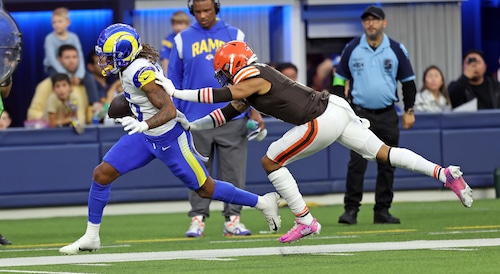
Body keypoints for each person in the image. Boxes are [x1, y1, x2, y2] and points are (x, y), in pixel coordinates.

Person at [155, 40, 473, 243]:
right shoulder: (254, 78)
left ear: (235, 64)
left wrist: (175, 92)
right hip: (336, 109)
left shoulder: (253, 76)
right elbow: (228, 111)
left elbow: (226, 94)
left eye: (224, 70)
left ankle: (305, 220)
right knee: (384, 154)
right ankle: (445, 174)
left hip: (320, 118)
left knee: (270, 160)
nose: (222, 75)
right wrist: (191, 124)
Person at [58, 24, 280, 255]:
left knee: (205, 188)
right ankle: (91, 237)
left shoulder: (140, 72)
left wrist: (142, 122)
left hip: (169, 139)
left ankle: (263, 202)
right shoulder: (130, 67)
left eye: (108, 56)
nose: (103, 60)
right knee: (101, 173)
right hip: (146, 137)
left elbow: (168, 110)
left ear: (124, 53)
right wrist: (133, 109)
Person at [168, 0, 265, 237]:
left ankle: (233, 220)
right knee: (196, 172)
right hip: (194, 119)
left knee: (234, 172)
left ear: (217, 9)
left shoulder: (235, 34)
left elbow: (249, 76)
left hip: (232, 115)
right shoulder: (181, 39)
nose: (202, 15)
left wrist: (254, 109)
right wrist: (175, 115)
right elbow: (173, 82)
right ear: (192, 11)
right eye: (198, 11)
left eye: (207, 10)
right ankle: (198, 219)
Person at [331, 6, 418, 225]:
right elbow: (339, 81)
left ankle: (382, 211)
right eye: (367, 20)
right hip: (359, 115)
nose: (371, 23)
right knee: (356, 164)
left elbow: (408, 83)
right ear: (363, 24)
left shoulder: (396, 49)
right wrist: (340, 107)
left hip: (388, 114)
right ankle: (350, 211)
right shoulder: (352, 48)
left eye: (375, 20)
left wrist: (409, 111)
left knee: (388, 164)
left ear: (384, 23)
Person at [27, 45, 91, 124]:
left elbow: (87, 113)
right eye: (67, 57)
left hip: (80, 133)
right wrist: (57, 120)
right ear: (59, 60)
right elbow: (32, 114)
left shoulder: (84, 85)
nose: (71, 61)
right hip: (54, 133)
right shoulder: (46, 85)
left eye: (74, 57)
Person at [159, 10, 191, 76]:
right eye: (175, 24)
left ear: (188, 25)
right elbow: (166, 59)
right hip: (175, 73)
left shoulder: (193, 38)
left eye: (181, 24)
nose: (178, 27)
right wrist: (167, 75)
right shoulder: (168, 40)